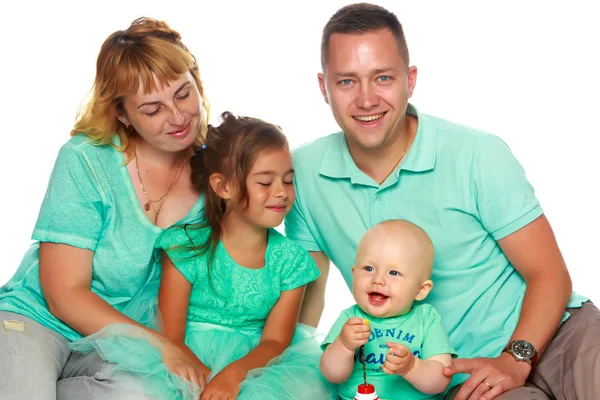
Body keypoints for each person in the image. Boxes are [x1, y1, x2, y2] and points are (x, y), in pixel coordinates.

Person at [285, 3, 598, 399]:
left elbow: (549, 273)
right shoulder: (304, 174)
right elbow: (304, 302)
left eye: (383, 78)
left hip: (556, 333)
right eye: (347, 82)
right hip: (453, 375)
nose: (366, 100)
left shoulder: (477, 153)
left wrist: (515, 358)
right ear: (322, 86)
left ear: (410, 80)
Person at [0, 17, 210, 399]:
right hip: (36, 319)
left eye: (183, 94)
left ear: (197, 80)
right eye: (153, 109)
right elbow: (63, 293)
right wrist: (164, 347)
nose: (178, 118)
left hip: (114, 341)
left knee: (148, 392)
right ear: (123, 114)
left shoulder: (215, 173)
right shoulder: (86, 160)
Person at [71, 111, 337, 400]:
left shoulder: (291, 262)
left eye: (288, 181)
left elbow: (275, 341)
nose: (282, 193)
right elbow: (172, 335)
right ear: (223, 187)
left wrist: (234, 374)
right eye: (265, 182)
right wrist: (204, 377)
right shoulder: (187, 247)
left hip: (255, 365)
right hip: (184, 353)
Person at [321, 219, 455, 399]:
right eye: (368, 268)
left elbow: (440, 380)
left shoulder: (427, 319)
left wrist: (412, 367)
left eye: (393, 273)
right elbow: (332, 375)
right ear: (354, 273)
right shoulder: (350, 318)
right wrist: (344, 346)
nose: (378, 279)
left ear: (421, 290)